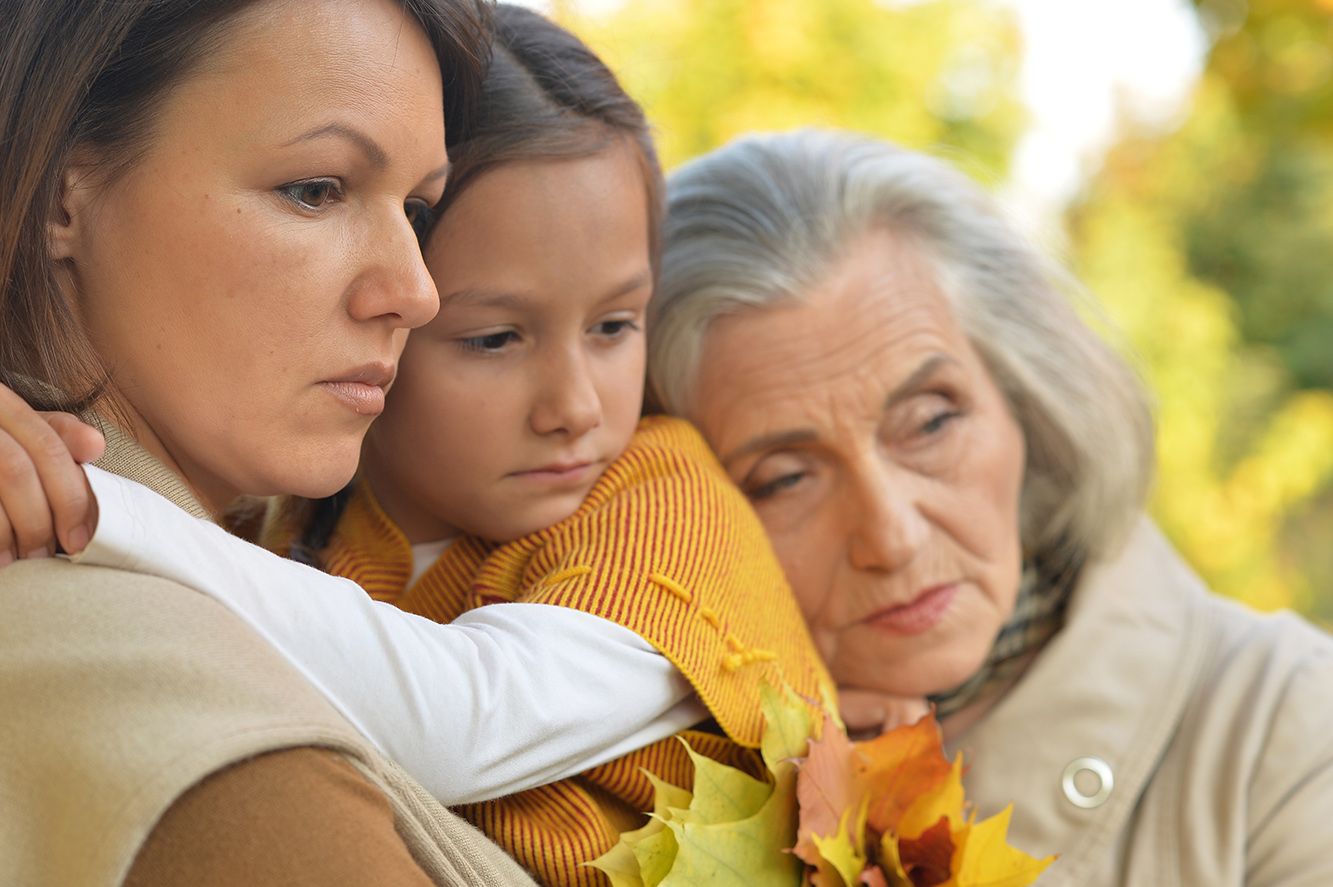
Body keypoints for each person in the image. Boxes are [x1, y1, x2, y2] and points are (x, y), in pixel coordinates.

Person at [0, 2, 691, 884]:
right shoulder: (179, 713)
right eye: (316, 190)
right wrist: (94, 509)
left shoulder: (645, 508)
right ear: (64, 189)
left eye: (416, 207)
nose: (415, 289)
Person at [645, 129, 1333, 885]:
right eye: (784, 478)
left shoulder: (1286, 724)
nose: (893, 537)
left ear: (1025, 400)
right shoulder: (630, 788)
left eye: (931, 421)